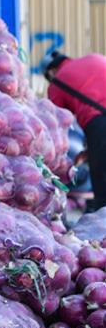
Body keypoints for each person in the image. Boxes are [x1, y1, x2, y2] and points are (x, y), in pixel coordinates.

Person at [44, 51, 106, 210]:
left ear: (51, 71)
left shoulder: (57, 83)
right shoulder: (94, 57)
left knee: (103, 183)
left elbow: (55, 124)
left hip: (99, 121)